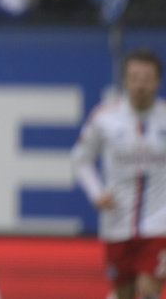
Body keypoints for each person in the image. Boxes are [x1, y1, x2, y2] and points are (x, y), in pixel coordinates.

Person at [72, 49, 166, 299]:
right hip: (117, 222)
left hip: (158, 223)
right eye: (135, 78)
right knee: (122, 294)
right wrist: (97, 193)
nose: (140, 85)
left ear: (158, 81)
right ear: (125, 80)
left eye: (147, 79)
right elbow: (80, 160)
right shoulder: (105, 118)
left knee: (149, 292)